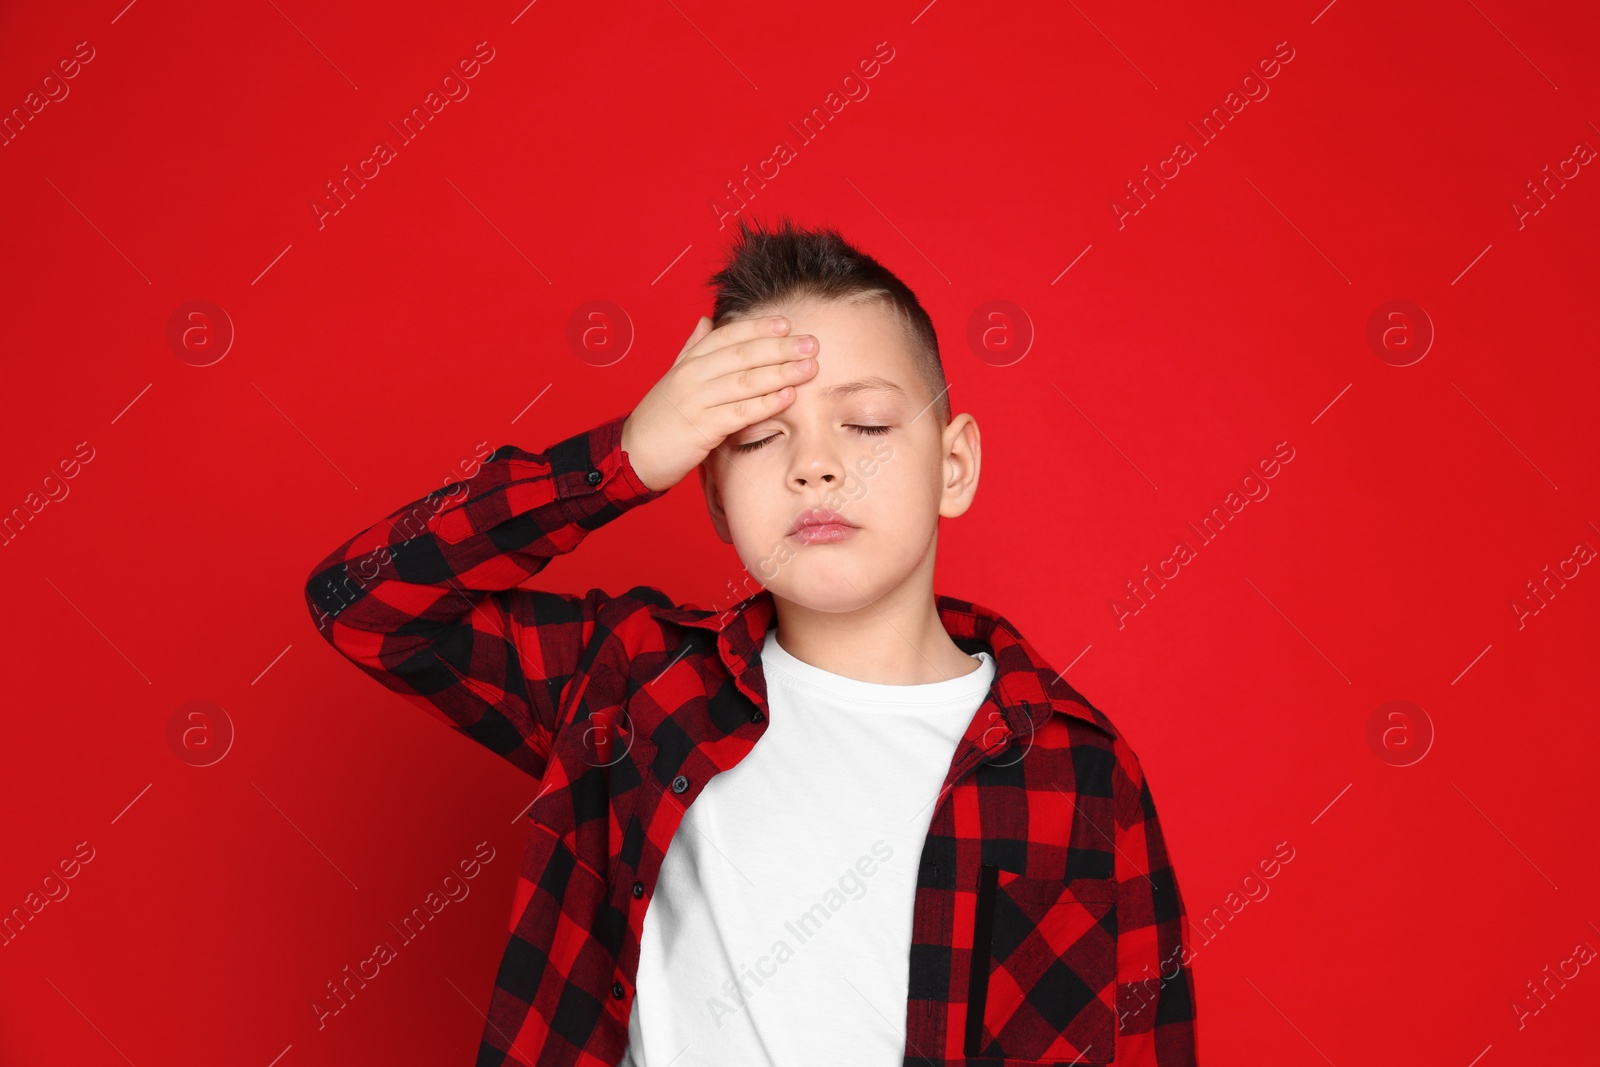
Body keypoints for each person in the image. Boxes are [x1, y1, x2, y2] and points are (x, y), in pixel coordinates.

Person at [304, 216, 1199, 1066]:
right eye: (762, 437)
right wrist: (625, 458)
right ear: (714, 500)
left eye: (869, 425)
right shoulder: (630, 684)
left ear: (953, 465)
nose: (815, 464)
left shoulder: (1075, 770)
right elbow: (362, 599)